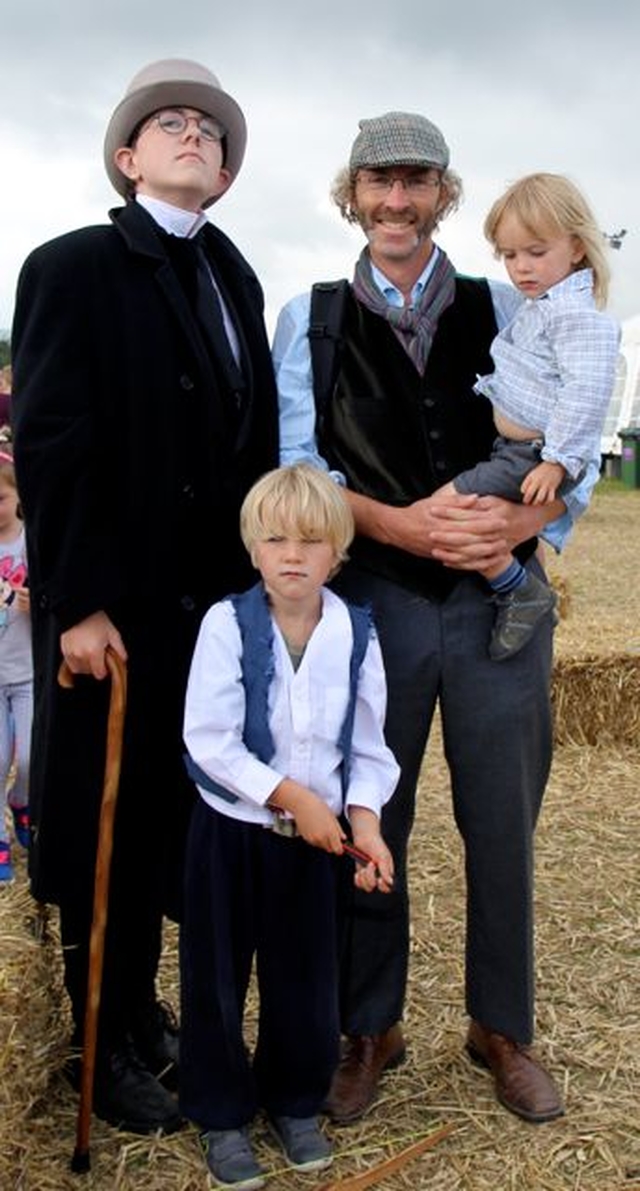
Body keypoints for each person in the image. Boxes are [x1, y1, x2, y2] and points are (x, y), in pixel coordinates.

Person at [272, 111, 597, 1126]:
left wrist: (510, 532)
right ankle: (370, 1028)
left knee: (501, 822)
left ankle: (500, 1027)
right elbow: (300, 468)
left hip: (499, 608)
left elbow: (573, 445)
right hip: (372, 608)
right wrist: (399, 528)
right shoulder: (309, 317)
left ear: (444, 193)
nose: (396, 201)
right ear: (353, 195)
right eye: (379, 183)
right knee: (372, 821)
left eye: (416, 182)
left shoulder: (514, 298)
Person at [11, 59, 279, 1133]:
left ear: (221, 171)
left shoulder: (236, 276)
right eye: (168, 125)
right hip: (110, 609)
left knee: (169, 819)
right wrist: (75, 603)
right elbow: (52, 439)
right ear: (127, 160)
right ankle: (99, 1034)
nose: (193, 136)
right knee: (101, 823)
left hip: (205, 612)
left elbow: (249, 440)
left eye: (210, 131)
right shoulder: (70, 264)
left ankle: (139, 1008)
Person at [180, 463, 399, 1188]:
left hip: (314, 847)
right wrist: (294, 799)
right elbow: (209, 739)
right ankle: (219, 1109)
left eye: (310, 539)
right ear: (253, 549)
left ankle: (294, 1098)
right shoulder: (226, 624)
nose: (293, 554)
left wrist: (363, 824)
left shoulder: (357, 635)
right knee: (216, 975)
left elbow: (368, 750)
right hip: (231, 832)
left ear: (338, 550)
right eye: (275, 538)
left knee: (305, 977)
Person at [431, 173, 619, 661]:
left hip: (532, 454)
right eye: (510, 255)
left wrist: (556, 461)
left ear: (577, 247)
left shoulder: (577, 317)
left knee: (444, 507)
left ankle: (518, 588)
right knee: (472, 520)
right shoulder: (541, 307)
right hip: (515, 450)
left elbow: (587, 392)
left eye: (536, 252)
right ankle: (516, 579)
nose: (521, 268)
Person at [0, 449, 32, 884]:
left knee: (30, 757)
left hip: (27, 675)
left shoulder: (31, 541)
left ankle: (22, 801)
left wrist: (33, 603)